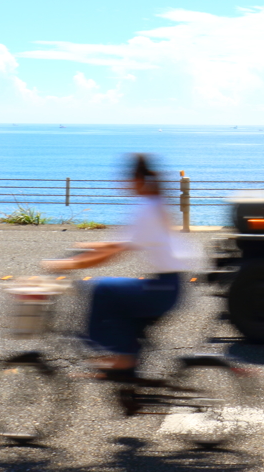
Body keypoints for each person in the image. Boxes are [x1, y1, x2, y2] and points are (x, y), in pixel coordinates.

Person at [42, 154, 202, 384]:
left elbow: (116, 251)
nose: (123, 183)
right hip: (167, 286)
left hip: (164, 289)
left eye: (126, 178)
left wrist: (69, 264)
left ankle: (124, 358)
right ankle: (126, 366)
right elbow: (120, 243)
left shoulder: (147, 208)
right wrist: (88, 246)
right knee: (117, 297)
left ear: (137, 179)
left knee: (102, 289)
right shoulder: (152, 203)